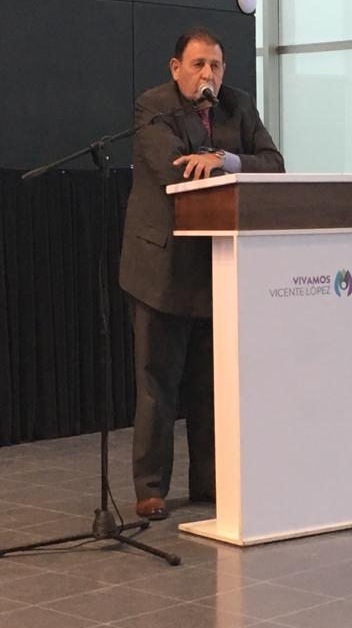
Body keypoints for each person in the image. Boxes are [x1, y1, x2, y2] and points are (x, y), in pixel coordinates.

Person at [119, 27, 284, 520]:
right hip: (161, 268)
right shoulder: (153, 107)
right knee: (158, 384)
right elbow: (175, 170)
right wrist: (226, 168)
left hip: (220, 266)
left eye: (215, 65)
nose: (207, 74)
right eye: (197, 65)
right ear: (176, 69)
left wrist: (223, 159)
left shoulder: (239, 105)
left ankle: (210, 482)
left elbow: (273, 164)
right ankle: (150, 487)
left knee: (213, 385)